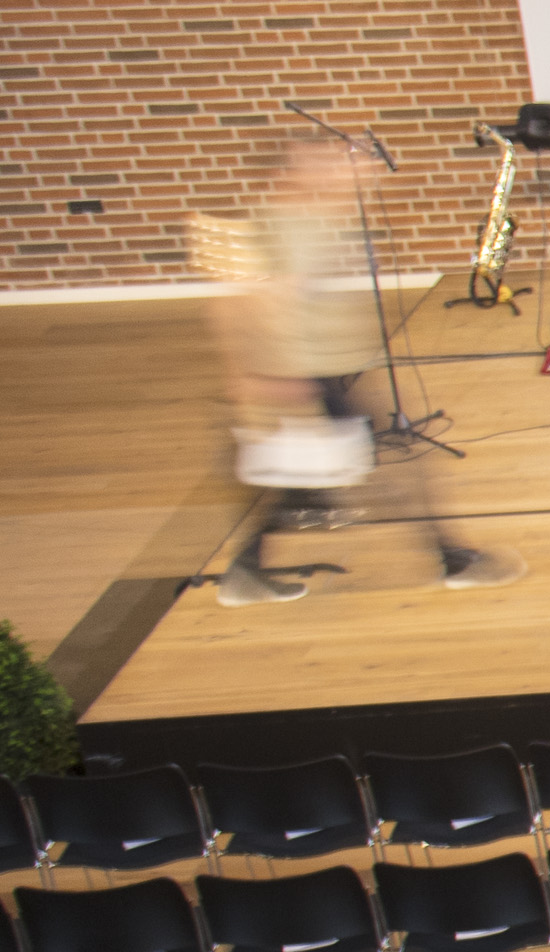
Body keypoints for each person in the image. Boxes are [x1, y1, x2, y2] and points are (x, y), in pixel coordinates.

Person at [214, 130, 518, 608]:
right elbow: (261, 303)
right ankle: (453, 559)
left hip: (329, 366)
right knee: (395, 465)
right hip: (310, 373)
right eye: (320, 164)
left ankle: (245, 571)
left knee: (297, 485)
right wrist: (275, 376)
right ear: (289, 174)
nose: (332, 170)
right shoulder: (284, 224)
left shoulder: (304, 219)